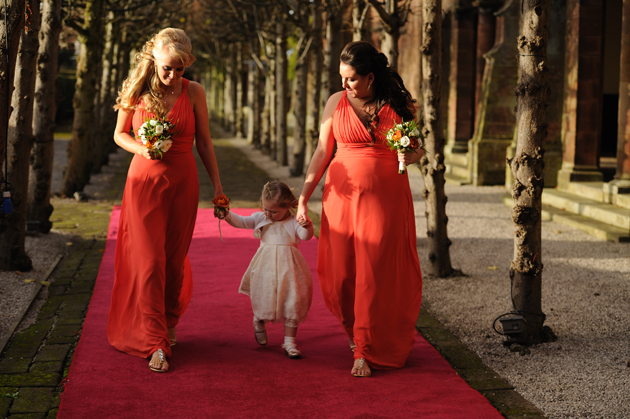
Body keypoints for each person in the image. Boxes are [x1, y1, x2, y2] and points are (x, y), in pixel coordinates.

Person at [296, 41, 423, 377]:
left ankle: (365, 349)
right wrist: (303, 196)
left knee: (374, 272)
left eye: (351, 78)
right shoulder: (336, 102)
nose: (344, 84)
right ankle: (355, 333)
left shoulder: (399, 104)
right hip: (340, 198)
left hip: (385, 200)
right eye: (342, 77)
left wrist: (413, 155)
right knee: (341, 275)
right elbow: (323, 151)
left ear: (369, 77)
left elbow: (416, 147)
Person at [107, 28, 224, 373]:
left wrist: (218, 185)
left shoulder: (194, 92)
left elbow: (204, 142)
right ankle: (154, 341)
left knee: (173, 260)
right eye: (167, 68)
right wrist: (141, 148)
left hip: (183, 185)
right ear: (154, 61)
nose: (173, 76)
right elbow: (119, 134)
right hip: (144, 183)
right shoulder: (137, 90)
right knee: (148, 262)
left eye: (180, 69)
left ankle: (168, 325)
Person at [224, 181, 314, 359]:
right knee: (264, 298)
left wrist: (307, 225)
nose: (268, 214)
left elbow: (306, 236)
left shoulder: (293, 221)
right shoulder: (261, 218)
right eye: (265, 209)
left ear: (287, 206)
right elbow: (241, 222)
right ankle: (259, 321)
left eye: (273, 211)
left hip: (290, 269)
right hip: (265, 267)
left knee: (292, 302)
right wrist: (226, 213)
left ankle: (289, 342)